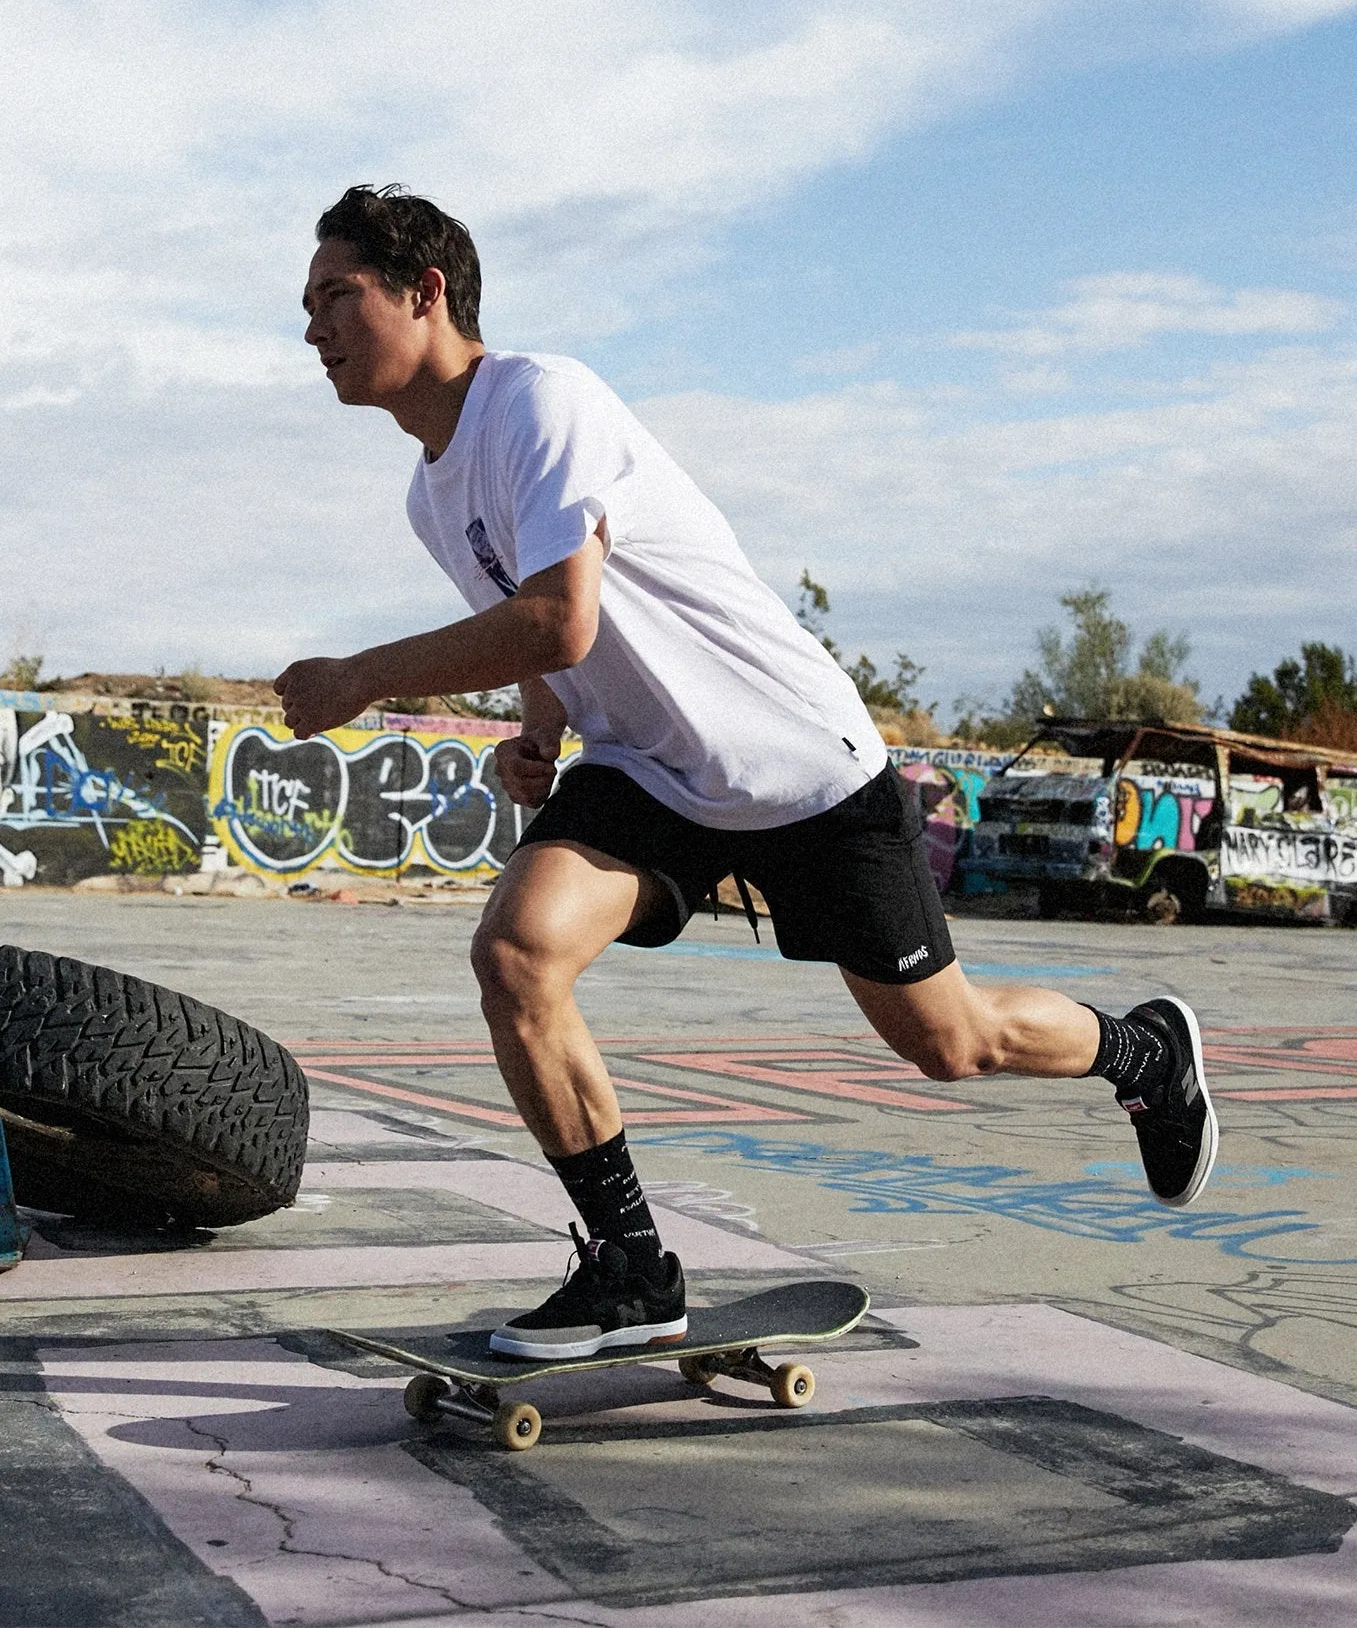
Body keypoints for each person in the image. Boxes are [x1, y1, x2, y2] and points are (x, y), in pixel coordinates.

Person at [279, 184, 1219, 1361]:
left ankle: (1141, 1050)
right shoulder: (432, 489)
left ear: (426, 293)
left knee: (949, 1043)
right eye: (306, 305)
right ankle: (631, 1267)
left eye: (336, 296)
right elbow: (547, 638)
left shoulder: (538, 402)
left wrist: (363, 676)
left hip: (797, 769)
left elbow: (557, 618)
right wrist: (545, 733)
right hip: (648, 774)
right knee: (518, 949)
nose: (313, 327)